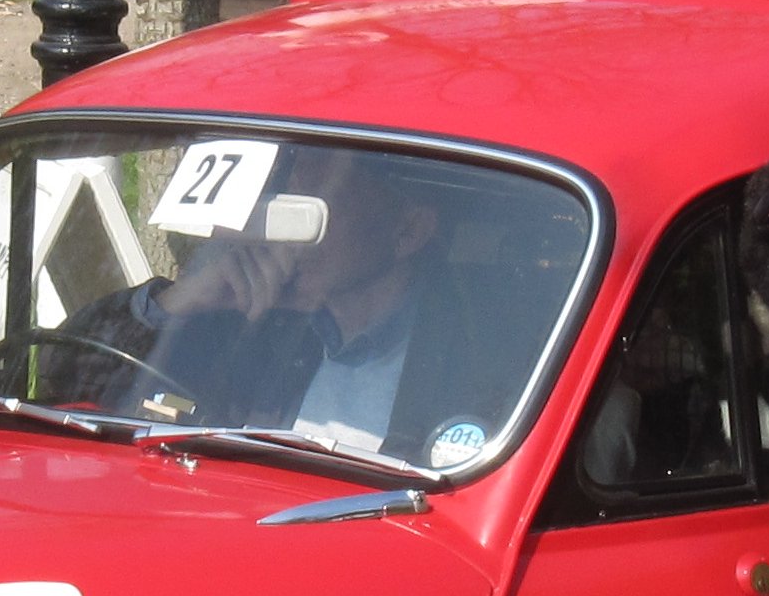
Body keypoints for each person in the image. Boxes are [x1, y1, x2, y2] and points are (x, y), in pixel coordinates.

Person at [37, 146, 498, 468]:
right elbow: (62, 378)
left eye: (318, 188)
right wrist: (176, 304)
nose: (286, 205)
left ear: (407, 231)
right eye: (289, 174)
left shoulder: (477, 357)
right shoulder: (248, 325)